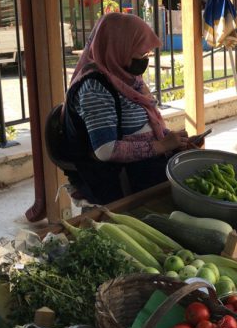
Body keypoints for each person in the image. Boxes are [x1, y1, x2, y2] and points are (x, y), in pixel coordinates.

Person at [61, 13, 192, 204]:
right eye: (141, 53)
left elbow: (146, 122)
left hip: (143, 165)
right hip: (117, 176)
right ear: (118, 47)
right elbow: (105, 150)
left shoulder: (125, 76)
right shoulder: (95, 87)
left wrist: (171, 139)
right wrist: (162, 146)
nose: (145, 59)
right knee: (185, 192)